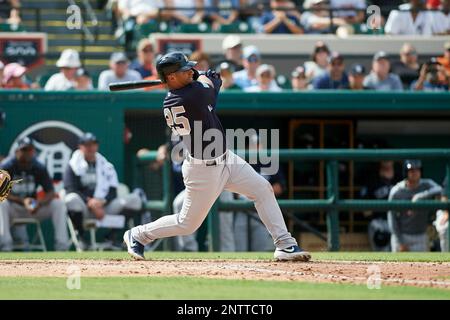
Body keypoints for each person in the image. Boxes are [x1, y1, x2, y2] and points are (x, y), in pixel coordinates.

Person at [123, 51, 311, 261]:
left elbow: (210, 95)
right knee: (187, 224)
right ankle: (138, 234)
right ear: (172, 77)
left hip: (225, 158)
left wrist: (203, 78)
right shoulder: (186, 96)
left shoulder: (187, 93)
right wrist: (206, 76)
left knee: (262, 189)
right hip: (203, 169)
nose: (191, 71)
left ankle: (285, 244)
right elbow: (209, 87)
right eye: (185, 70)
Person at [63, 132, 144, 240]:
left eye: (93, 144)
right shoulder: (73, 165)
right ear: (80, 147)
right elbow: (70, 188)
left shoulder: (106, 165)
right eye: (87, 145)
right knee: (70, 199)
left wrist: (102, 202)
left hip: (104, 207)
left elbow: (113, 191)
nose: (91, 147)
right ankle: (80, 237)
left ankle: (111, 237)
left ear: (97, 145)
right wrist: (90, 202)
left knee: (135, 200)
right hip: (84, 208)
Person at [0, 137, 70, 251]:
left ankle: (62, 247)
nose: (28, 153)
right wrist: (22, 201)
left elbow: (51, 192)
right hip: (13, 208)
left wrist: (39, 203)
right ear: (17, 151)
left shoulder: (39, 166)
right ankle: (5, 246)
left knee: (58, 204)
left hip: (33, 208)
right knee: (1, 203)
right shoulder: (6, 166)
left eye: (30, 150)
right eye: (24, 150)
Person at [234, 134, 283, 252]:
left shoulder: (269, 162)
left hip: (261, 208)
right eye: (252, 145)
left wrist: (261, 191)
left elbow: (279, 187)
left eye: (258, 144)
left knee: (260, 245)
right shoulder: (240, 161)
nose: (256, 147)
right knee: (239, 245)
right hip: (241, 208)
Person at [388, 159, 443, 252]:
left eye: (417, 170)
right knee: (399, 266)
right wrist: (400, 241)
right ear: (406, 172)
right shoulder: (397, 191)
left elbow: (440, 189)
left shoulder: (426, 184)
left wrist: (421, 196)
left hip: (420, 236)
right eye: (411, 170)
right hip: (402, 235)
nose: (415, 173)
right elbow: (392, 219)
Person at [360, 160, 398, 251]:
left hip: (398, 221)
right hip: (379, 222)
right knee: (382, 252)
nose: (387, 160)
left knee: (400, 254)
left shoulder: (399, 177)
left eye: (389, 158)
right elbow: (365, 209)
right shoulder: (372, 179)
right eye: (384, 158)